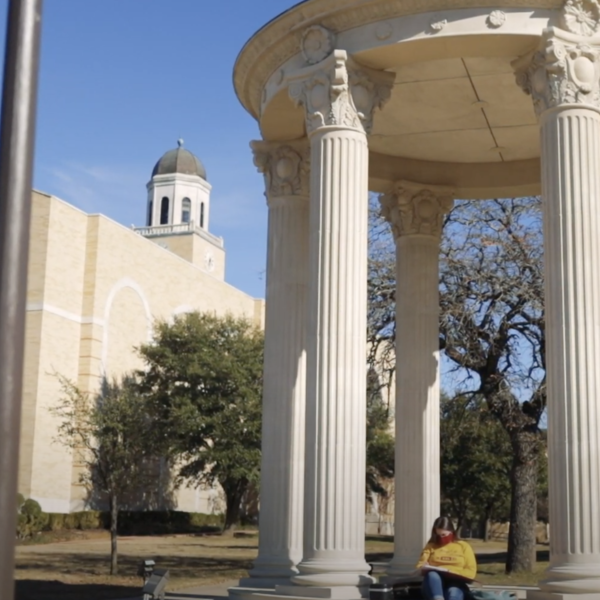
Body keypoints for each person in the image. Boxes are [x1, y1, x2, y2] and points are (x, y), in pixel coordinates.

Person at [416, 516, 477, 600]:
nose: (441, 537)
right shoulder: (431, 546)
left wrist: (452, 572)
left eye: (444, 535)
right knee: (432, 575)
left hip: (456, 582)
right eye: (438, 535)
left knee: (453, 592)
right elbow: (420, 565)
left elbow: (471, 571)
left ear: (451, 531)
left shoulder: (463, 546)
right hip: (434, 584)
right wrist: (423, 566)